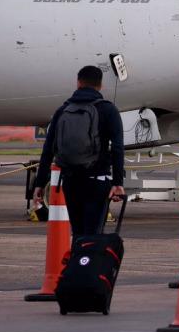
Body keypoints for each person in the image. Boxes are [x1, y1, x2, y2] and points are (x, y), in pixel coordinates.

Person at [33, 66, 125, 238]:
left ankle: (78, 254)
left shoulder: (63, 110)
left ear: (78, 83)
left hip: (71, 180)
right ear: (100, 85)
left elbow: (48, 149)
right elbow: (118, 147)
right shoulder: (108, 109)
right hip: (97, 180)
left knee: (78, 233)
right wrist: (118, 182)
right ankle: (88, 255)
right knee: (93, 235)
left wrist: (40, 183)